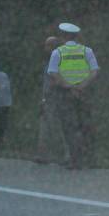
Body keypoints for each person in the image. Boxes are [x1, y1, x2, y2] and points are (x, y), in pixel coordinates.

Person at [46, 22, 99, 170]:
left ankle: (75, 160)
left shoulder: (58, 52)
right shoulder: (87, 51)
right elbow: (94, 71)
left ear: (63, 36)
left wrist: (69, 86)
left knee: (70, 127)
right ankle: (90, 160)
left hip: (65, 94)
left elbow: (53, 73)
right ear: (76, 36)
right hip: (84, 93)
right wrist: (82, 86)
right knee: (85, 125)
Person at [36, 36, 69, 164]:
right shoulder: (48, 62)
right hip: (48, 99)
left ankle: (67, 155)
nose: (45, 49)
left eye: (48, 46)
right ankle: (43, 155)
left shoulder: (59, 61)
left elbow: (59, 81)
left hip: (57, 98)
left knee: (61, 127)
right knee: (45, 127)